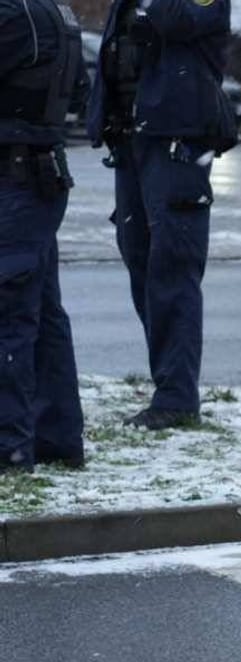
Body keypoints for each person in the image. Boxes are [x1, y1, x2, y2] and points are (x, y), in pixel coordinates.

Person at [87, 0, 235, 431]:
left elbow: (176, 20)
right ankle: (167, 382)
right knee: (140, 259)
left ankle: (176, 396)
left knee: (172, 267)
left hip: (176, 142)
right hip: (133, 139)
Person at [0, 0, 85, 473]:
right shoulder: (56, 12)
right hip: (37, 177)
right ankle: (56, 437)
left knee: (10, 315)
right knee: (43, 314)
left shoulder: (14, 16)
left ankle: (9, 445)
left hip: (16, 180)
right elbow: (80, 92)